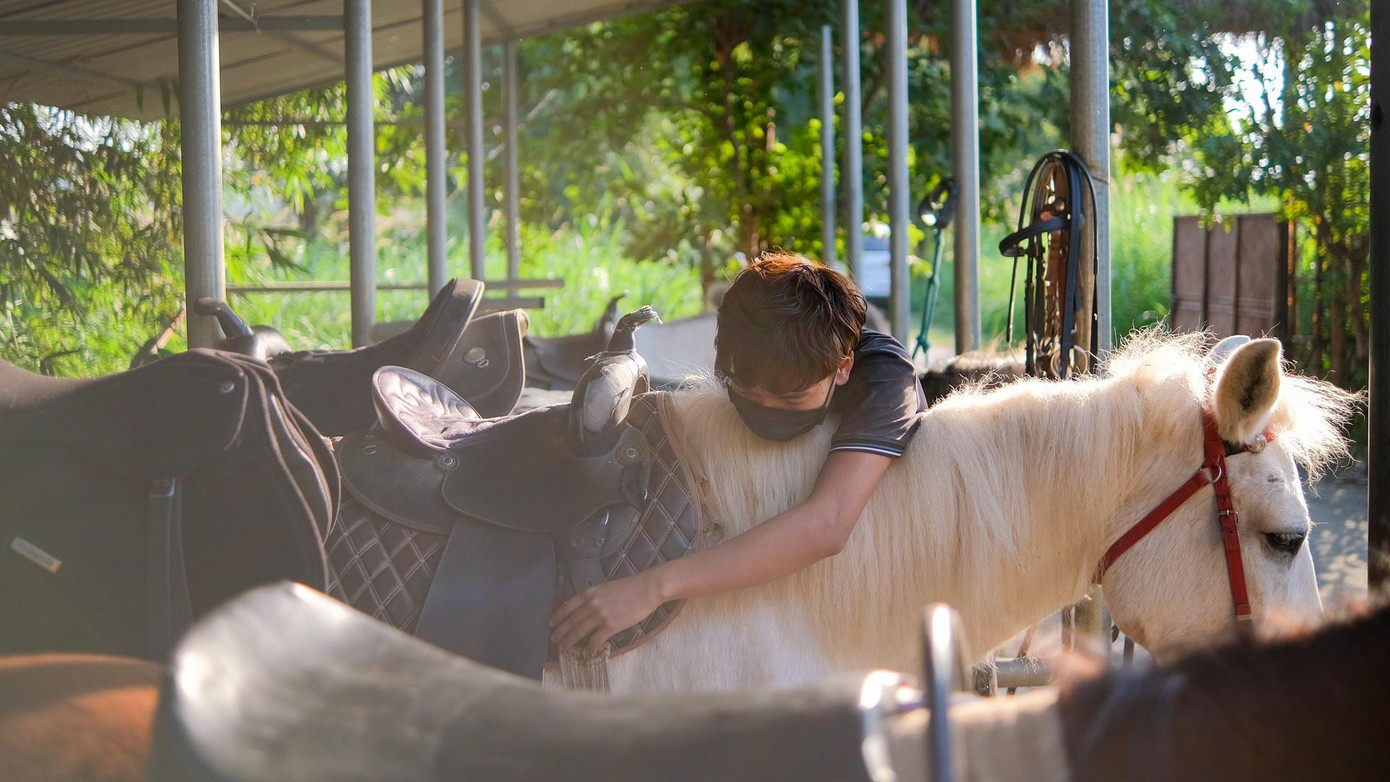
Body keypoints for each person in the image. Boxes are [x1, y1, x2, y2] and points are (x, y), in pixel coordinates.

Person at [550, 251, 927, 654]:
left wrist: (651, 587)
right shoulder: (743, 351)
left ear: (844, 368)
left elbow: (828, 526)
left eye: (792, 395)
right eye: (746, 392)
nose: (767, 409)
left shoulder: (886, 378)